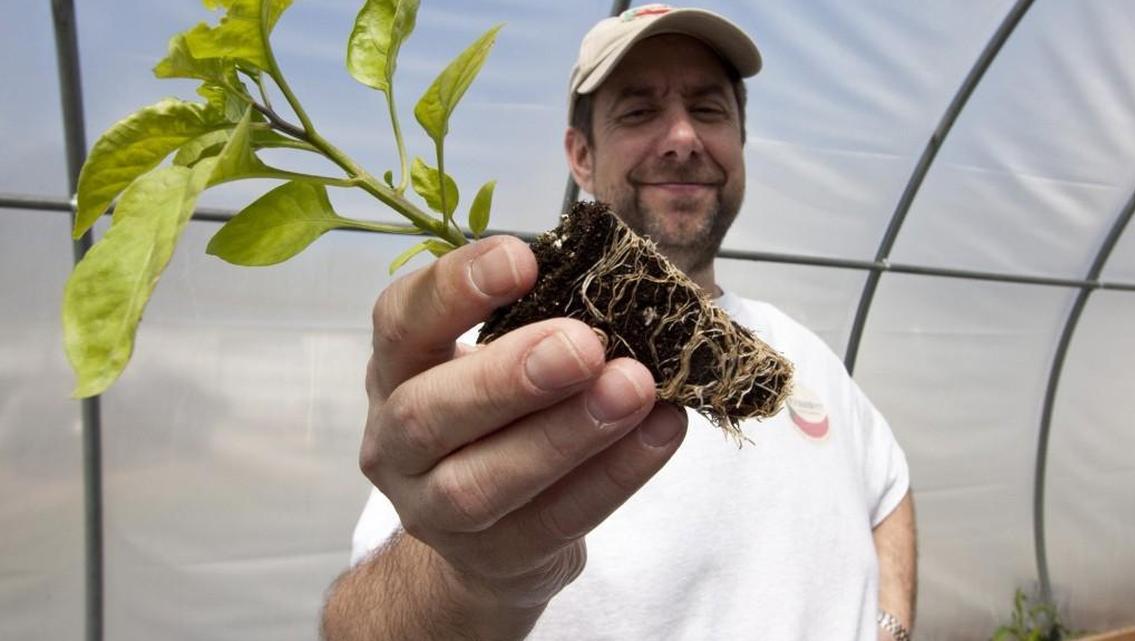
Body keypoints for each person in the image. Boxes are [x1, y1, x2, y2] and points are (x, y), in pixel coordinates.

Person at [321, 5, 916, 640]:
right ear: (580, 156)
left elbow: (889, 491)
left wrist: (890, 624)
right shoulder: (501, 372)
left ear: (740, 140)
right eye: (638, 111)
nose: (683, 137)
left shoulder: (800, 351)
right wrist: (476, 574)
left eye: (709, 109)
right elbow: (358, 629)